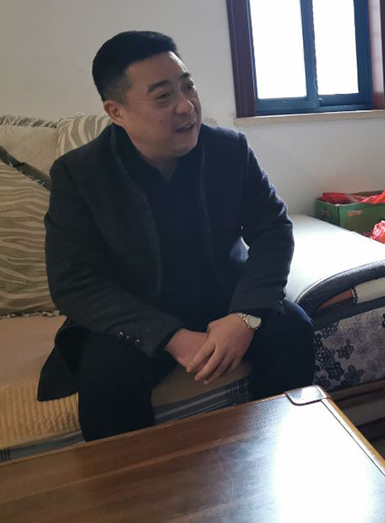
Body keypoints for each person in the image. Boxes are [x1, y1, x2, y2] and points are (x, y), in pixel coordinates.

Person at [37, 31, 315, 441]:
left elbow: (273, 230)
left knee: (292, 328)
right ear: (116, 112)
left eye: (188, 86)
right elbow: (75, 282)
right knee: (105, 370)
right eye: (163, 96)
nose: (186, 106)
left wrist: (245, 316)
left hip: (224, 299)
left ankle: (280, 449)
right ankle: (133, 481)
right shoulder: (79, 175)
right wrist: (170, 337)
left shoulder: (230, 150)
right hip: (137, 314)